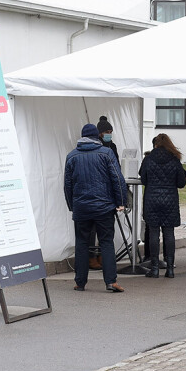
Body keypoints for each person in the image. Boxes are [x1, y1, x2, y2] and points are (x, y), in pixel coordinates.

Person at [64, 123, 127, 293]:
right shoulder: (106, 153)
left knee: (82, 243)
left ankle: (80, 282)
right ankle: (110, 282)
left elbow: (67, 185)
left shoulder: (72, 156)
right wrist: (121, 201)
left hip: (81, 208)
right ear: (97, 137)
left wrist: (72, 206)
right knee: (106, 243)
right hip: (104, 207)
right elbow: (117, 178)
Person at [139, 134, 186, 278]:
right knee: (169, 233)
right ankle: (170, 269)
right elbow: (181, 183)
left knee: (153, 233)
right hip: (170, 201)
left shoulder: (148, 159)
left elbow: (143, 178)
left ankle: (154, 269)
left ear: (155, 145)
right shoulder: (174, 160)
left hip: (152, 200)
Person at [87, 115, 121, 270]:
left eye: (110, 131)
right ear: (100, 133)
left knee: (107, 229)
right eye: (107, 131)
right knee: (92, 229)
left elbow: (116, 168)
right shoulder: (95, 148)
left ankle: (103, 256)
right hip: (97, 193)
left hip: (108, 194)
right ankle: (92, 257)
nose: (109, 134)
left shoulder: (111, 147)